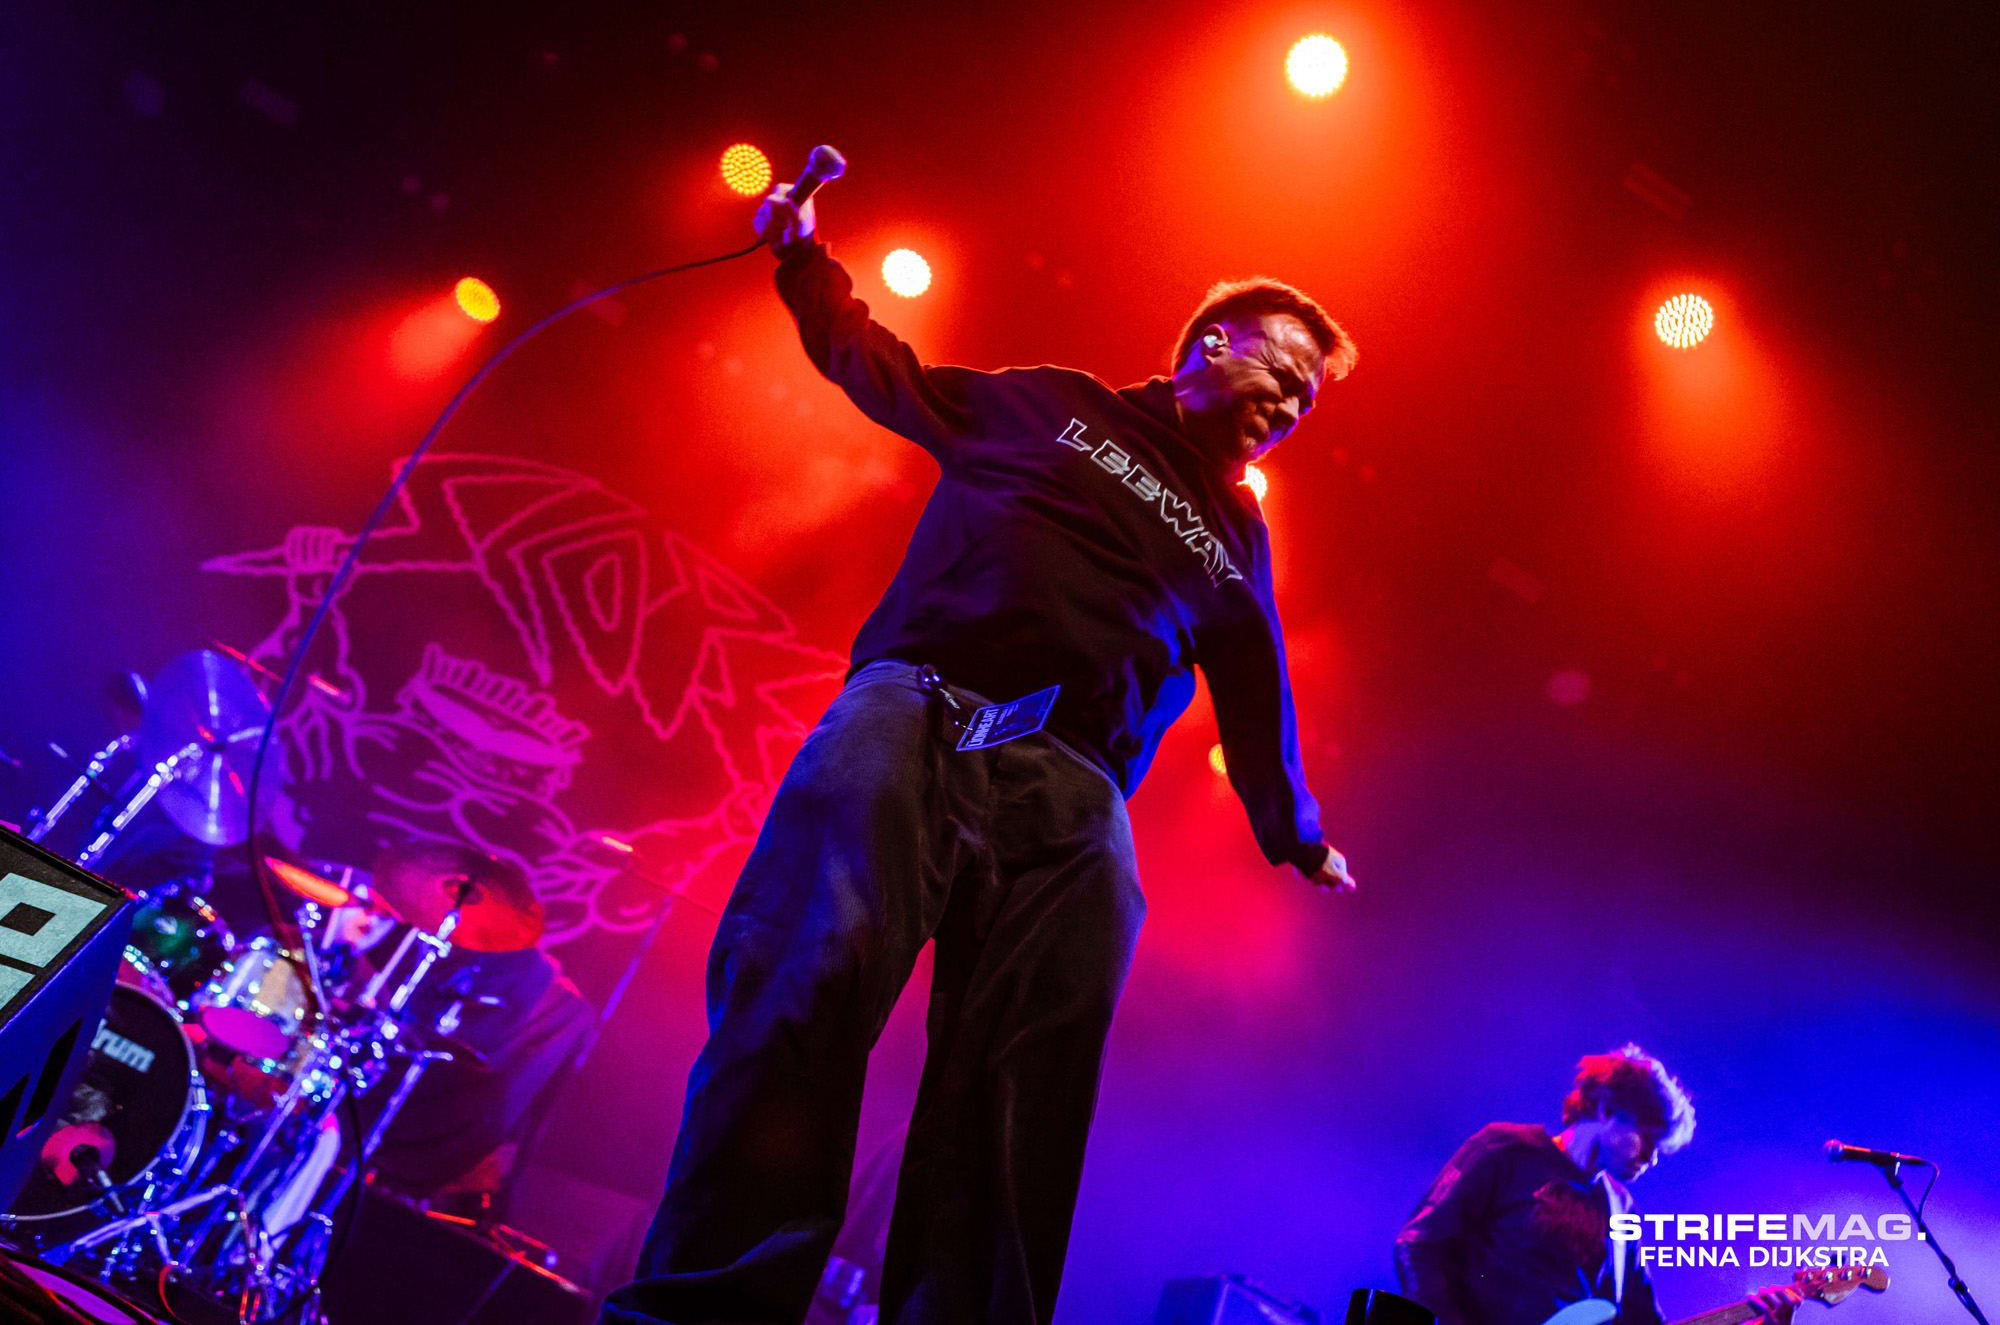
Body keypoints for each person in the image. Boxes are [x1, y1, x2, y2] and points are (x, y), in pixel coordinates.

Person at [603, 172, 1357, 1325]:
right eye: (1283, 372)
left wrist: (1291, 831)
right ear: (1211, 345)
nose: (1294, 402)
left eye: (1308, 396)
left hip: (1074, 789)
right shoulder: (1051, 404)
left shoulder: (1234, 534)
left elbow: (1257, 690)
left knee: (1023, 1093)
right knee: (803, 994)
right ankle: (700, 1311)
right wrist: (804, 262)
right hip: (917, 711)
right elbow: (886, 373)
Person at [1394, 1044, 1802, 1325]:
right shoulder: (1506, 1149)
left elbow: (1641, 1320)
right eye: (1647, 1138)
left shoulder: (1621, 1208)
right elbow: (1418, 1244)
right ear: (1607, 1109)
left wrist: (1756, 1321)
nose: (1652, 1158)